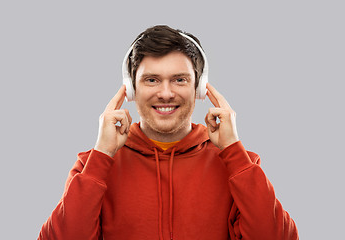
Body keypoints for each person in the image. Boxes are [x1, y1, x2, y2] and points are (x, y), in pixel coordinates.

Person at [38, 25, 299, 240]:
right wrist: (102, 154)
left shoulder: (239, 164)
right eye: (151, 80)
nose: (165, 93)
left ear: (199, 87)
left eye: (179, 79)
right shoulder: (92, 166)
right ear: (131, 89)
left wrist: (233, 149)